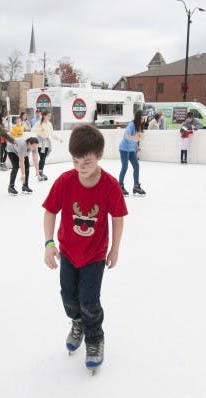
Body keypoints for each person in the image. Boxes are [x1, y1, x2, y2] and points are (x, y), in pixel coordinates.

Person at [42, 124, 127, 372]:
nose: (81, 166)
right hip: (68, 251)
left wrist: (115, 248)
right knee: (69, 297)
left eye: (87, 161)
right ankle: (77, 322)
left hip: (95, 254)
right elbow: (49, 211)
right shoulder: (65, 181)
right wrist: (48, 243)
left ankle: (95, 338)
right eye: (76, 160)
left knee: (89, 300)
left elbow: (118, 218)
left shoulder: (110, 185)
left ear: (99, 156)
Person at [117, 110, 146, 196]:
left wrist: (136, 146)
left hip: (131, 150)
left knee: (136, 166)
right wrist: (135, 140)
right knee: (125, 167)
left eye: (143, 119)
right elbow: (126, 136)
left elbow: (137, 138)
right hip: (124, 149)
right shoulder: (131, 125)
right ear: (138, 118)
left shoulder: (139, 126)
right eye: (141, 118)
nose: (143, 120)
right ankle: (120, 186)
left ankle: (136, 186)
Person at [30, 110, 63, 181]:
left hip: (46, 143)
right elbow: (32, 130)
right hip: (39, 143)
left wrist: (59, 139)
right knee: (42, 158)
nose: (49, 117)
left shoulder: (49, 124)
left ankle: (40, 172)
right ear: (44, 116)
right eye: (48, 116)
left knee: (43, 158)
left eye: (50, 116)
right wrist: (40, 129)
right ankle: (40, 172)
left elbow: (52, 134)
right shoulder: (39, 123)